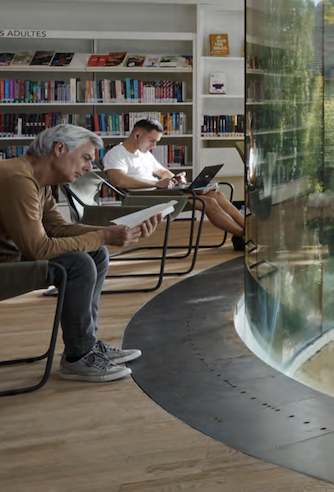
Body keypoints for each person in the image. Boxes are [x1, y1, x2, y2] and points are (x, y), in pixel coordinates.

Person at [0, 125, 160, 382]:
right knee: (77, 263)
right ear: (59, 149)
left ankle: (86, 342)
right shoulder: (18, 180)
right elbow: (39, 248)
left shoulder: (38, 181)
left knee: (96, 253)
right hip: (7, 265)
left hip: (13, 257)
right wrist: (105, 235)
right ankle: (78, 355)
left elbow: (57, 228)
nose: (89, 168)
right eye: (86, 157)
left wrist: (112, 231)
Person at [103, 119, 246, 250]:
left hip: (159, 192)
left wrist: (175, 179)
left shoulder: (144, 153)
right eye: (152, 140)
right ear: (137, 134)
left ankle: (249, 229)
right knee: (209, 203)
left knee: (217, 195)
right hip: (142, 198)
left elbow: (163, 172)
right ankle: (245, 236)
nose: (154, 146)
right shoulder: (116, 154)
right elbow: (118, 180)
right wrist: (157, 183)